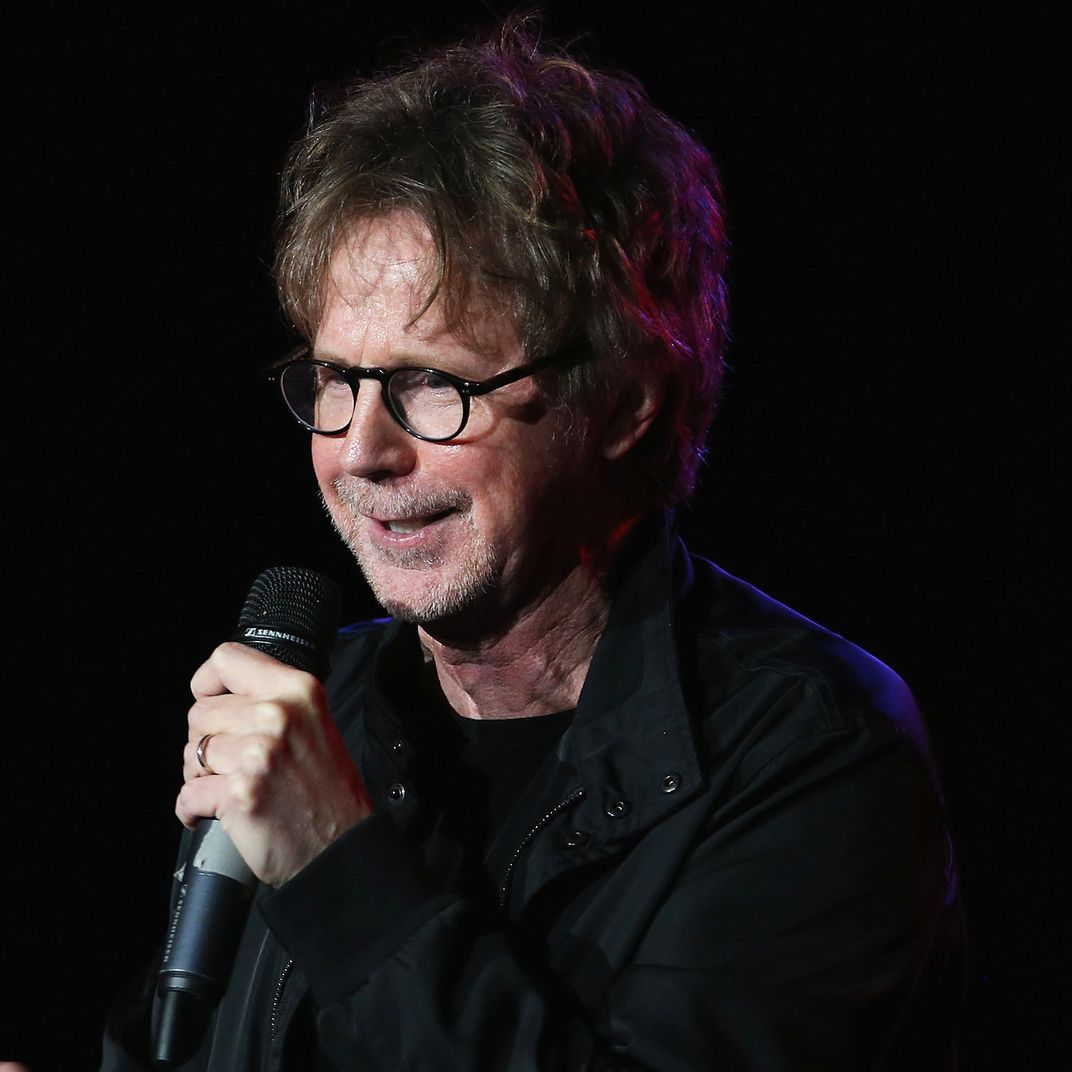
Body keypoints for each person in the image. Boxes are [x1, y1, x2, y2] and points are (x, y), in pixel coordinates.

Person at [100, 15, 963, 1070]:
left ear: (626, 402)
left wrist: (335, 865)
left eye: (432, 383)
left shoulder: (813, 754)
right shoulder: (325, 713)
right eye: (335, 379)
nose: (360, 451)